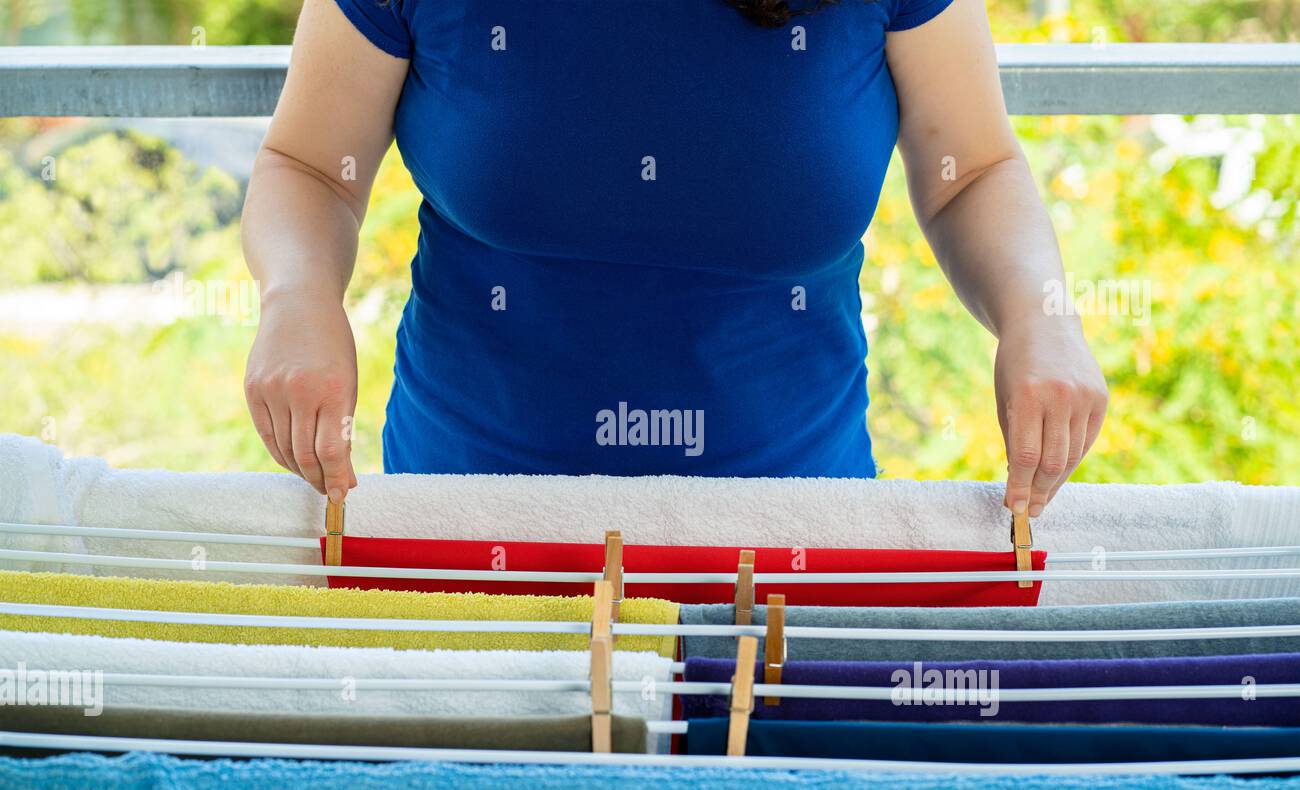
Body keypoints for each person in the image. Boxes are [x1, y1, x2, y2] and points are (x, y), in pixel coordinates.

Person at [242, 0, 1108, 521]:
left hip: (792, 553)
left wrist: (1040, 318)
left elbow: (974, 172)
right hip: (469, 536)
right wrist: (296, 296)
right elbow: (313, 167)